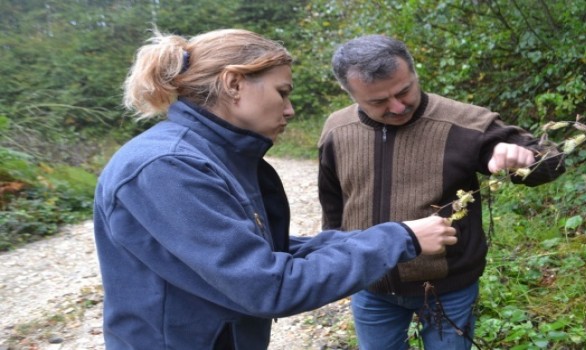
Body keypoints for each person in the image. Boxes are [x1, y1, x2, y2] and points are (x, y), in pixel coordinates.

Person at [93, 28, 460, 350]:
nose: (290, 110)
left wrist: (381, 237)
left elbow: (267, 251)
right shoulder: (168, 167)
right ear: (233, 83)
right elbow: (269, 285)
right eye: (282, 92)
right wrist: (398, 239)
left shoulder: (215, 155)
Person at [317, 34, 565, 350]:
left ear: (414, 72)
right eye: (378, 102)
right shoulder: (336, 130)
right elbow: (333, 204)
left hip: (449, 287)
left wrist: (523, 157)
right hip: (370, 286)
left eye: (404, 90)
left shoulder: (466, 121)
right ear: (349, 93)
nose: (397, 106)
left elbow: (551, 160)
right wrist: (338, 262)